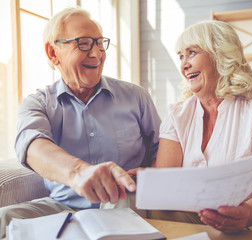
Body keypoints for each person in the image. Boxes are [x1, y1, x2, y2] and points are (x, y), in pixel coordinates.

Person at [0, 7, 161, 237]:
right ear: (53, 53)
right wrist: (79, 173)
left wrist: (149, 176)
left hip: (124, 204)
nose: (96, 53)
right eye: (84, 43)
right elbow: (32, 146)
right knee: (3, 218)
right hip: (62, 208)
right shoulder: (38, 103)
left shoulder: (136, 97)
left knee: (119, 204)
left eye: (99, 43)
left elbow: (162, 151)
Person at [151, 20, 252, 240]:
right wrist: (150, 179)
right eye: (181, 56)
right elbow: (166, 187)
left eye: (192, 53)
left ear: (219, 54)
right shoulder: (177, 115)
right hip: (201, 218)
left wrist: (247, 213)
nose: (184, 64)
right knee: (160, 216)